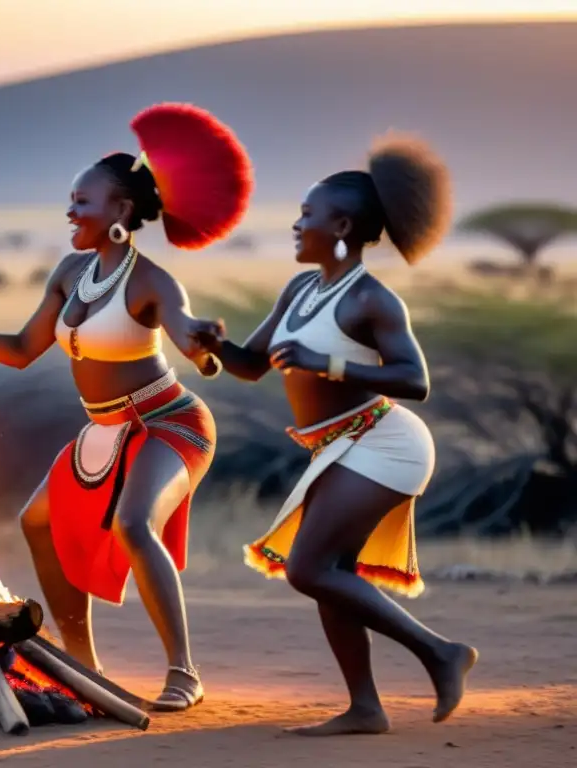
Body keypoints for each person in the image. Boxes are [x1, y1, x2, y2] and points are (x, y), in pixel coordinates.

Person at [0, 103, 254, 711]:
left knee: (132, 524)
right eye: (70, 199)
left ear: (121, 212)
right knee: (36, 520)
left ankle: (185, 673)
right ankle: (83, 665)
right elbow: (23, 350)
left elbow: (185, 335)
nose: (70, 210)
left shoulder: (153, 282)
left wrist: (205, 342)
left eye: (83, 201)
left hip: (167, 423)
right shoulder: (71, 272)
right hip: (104, 428)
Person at [192, 133, 478, 734]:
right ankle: (366, 709)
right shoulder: (299, 290)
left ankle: (441, 653)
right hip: (340, 447)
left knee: (308, 568)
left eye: (307, 216)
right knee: (331, 574)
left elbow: (415, 379)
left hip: (385, 441)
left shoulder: (373, 301)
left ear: (342, 225)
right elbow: (251, 366)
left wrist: (331, 366)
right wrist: (215, 347)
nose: (296, 226)